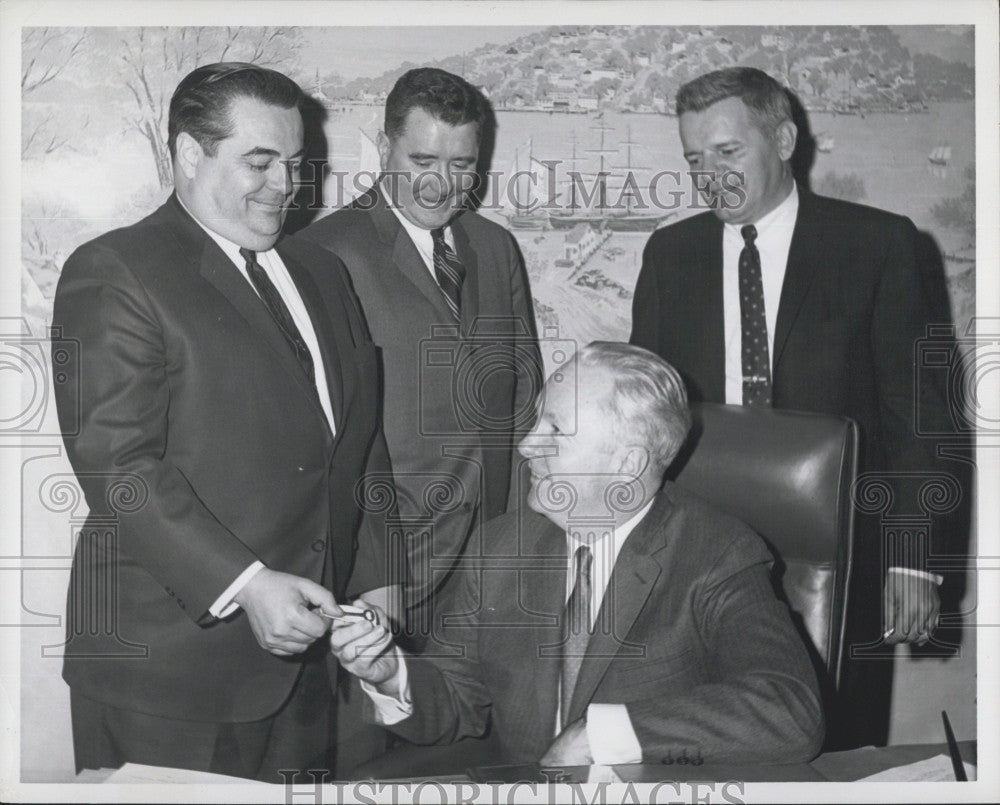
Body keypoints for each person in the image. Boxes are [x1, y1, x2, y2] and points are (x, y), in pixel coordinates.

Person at [51, 62, 396, 781]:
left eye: (295, 163)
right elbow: (119, 469)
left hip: (309, 673)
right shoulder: (114, 268)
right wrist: (248, 585)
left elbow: (359, 449)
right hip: (167, 676)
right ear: (187, 154)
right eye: (259, 161)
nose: (285, 185)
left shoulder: (322, 271)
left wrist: (380, 586)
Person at [629, 66, 956, 747]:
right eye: (695, 159)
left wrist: (913, 557)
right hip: (702, 562)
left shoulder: (877, 245)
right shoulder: (670, 254)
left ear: (782, 138)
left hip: (844, 554)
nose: (709, 175)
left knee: (833, 747)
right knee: (710, 740)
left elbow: (918, 413)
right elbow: (644, 418)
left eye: (727, 152)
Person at [328, 342, 824, 768]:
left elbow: (790, 710)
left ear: (627, 464)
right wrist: (392, 671)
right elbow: (459, 700)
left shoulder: (716, 553)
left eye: (555, 431)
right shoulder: (500, 547)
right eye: (536, 421)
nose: (525, 445)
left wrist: (600, 737)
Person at [293, 67, 541, 641]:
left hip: (491, 559)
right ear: (385, 148)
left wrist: (523, 538)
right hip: (385, 567)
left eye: (461, 166)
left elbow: (523, 401)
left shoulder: (496, 246)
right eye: (422, 162)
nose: (440, 185)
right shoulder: (322, 254)